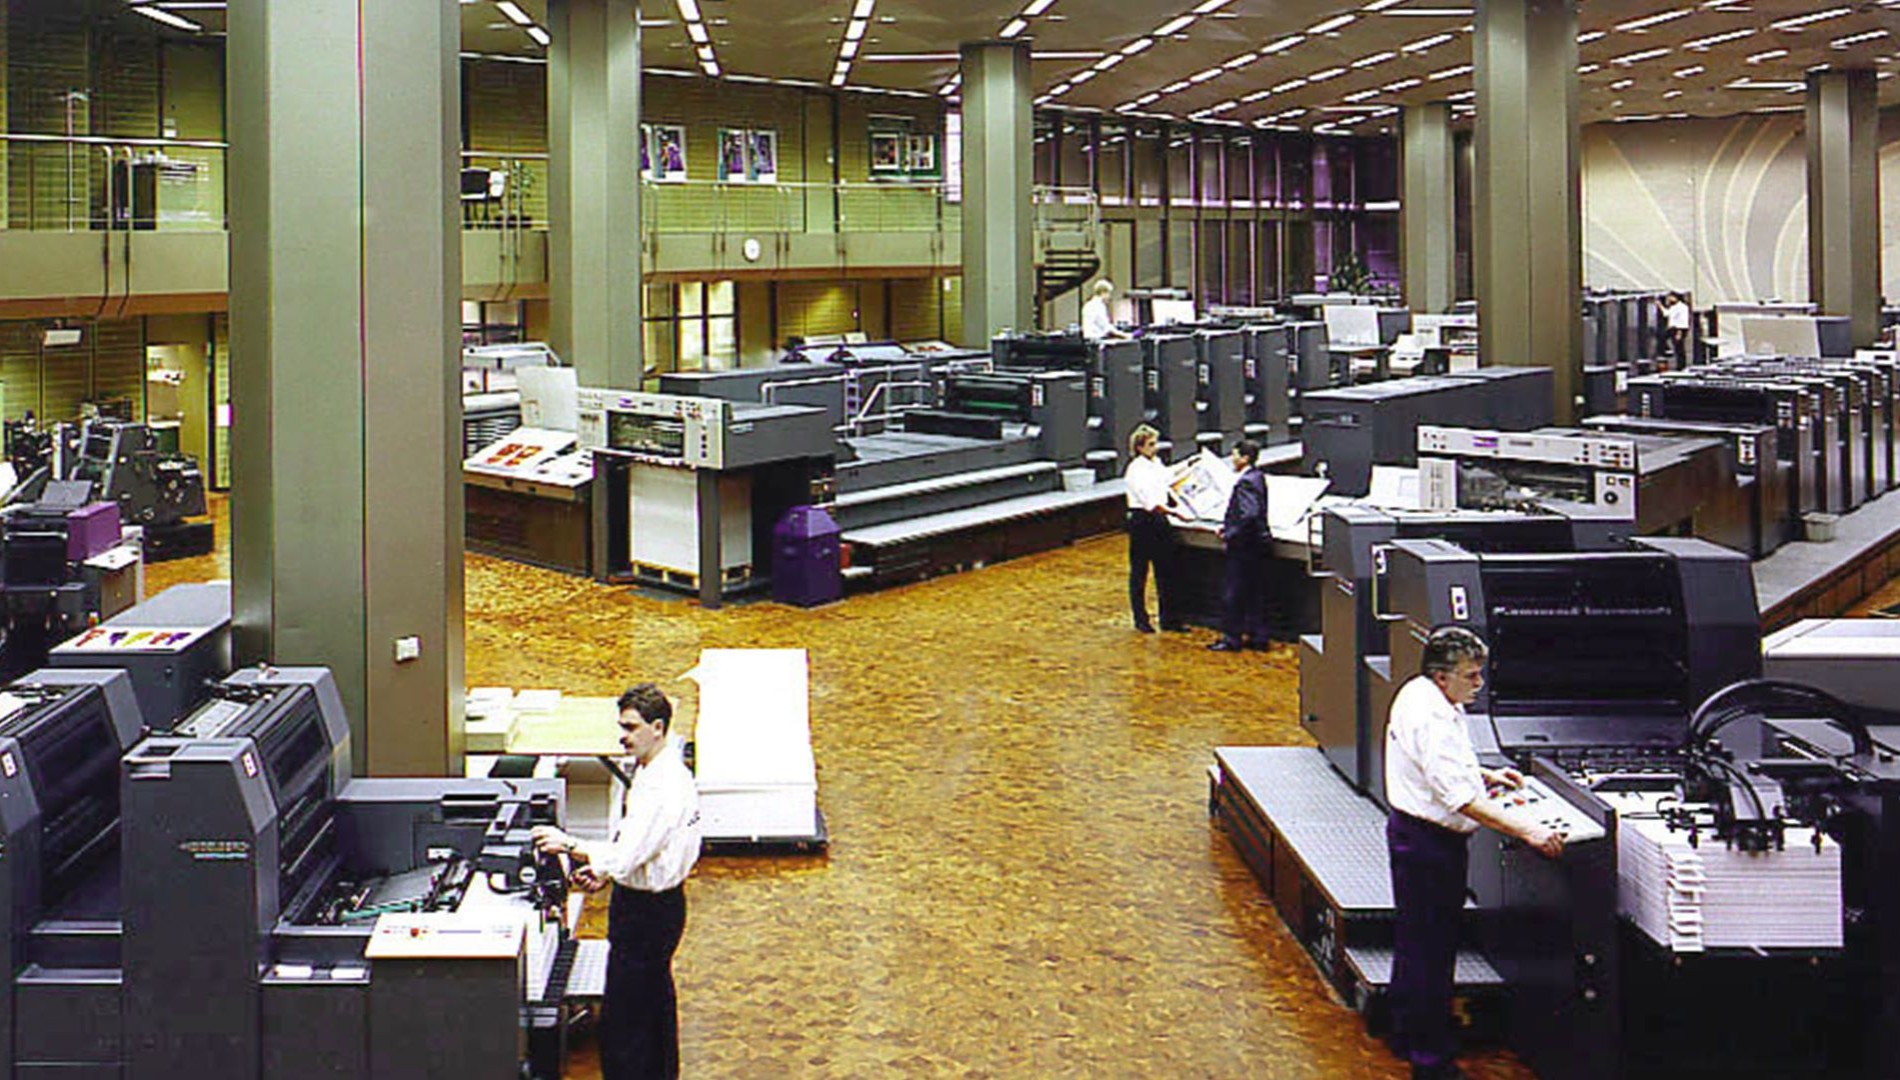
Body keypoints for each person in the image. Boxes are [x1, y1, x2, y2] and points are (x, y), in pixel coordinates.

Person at [1384, 628, 1564, 1080]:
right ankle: (1432, 1063)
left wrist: (1481, 774)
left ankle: (1403, 1031)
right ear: (1442, 677)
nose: (1479, 684)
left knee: (1413, 942)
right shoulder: (1433, 717)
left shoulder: (1421, 695)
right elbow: (1458, 801)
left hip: (1412, 834)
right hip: (1430, 845)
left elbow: (1434, 767)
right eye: (1471, 676)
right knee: (1433, 954)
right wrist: (1529, 830)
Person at [533, 684, 702, 1080]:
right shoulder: (655, 771)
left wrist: (569, 843)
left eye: (630, 727)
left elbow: (629, 854)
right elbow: (636, 845)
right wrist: (604, 871)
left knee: (626, 1019)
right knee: (653, 1003)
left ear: (657, 727)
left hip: (646, 912)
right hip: (657, 904)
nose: (622, 736)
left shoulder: (662, 787)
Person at [1124, 423, 1190, 633]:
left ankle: (1169, 619)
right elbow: (1150, 502)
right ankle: (1141, 619)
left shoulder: (1156, 463)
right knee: (1140, 571)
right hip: (1143, 521)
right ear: (1140, 447)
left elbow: (1167, 476)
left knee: (1167, 570)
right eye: (1151, 444)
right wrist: (1175, 512)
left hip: (1159, 521)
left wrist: (1188, 464)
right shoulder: (1135, 470)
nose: (1155, 447)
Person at [1208, 440, 1271, 652]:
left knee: (1233, 592)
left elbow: (1249, 514)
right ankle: (1258, 636)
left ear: (1244, 457)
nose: (1232, 459)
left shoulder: (1245, 482)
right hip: (1257, 546)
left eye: (1235, 455)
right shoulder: (1258, 477)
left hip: (1244, 547)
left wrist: (1229, 532)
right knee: (1254, 592)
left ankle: (1231, 638)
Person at [1660, 292, 1691, 368]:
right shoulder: (1676, 306)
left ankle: (1681, 365)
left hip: (1678, 329)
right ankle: (1667, 351)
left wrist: (1679, 332)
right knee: (1664, 338)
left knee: (1678, 347)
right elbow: (1667, 314)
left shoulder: (1680, 307)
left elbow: (1667, 314)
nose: (1669, 299)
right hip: (1676, 328)